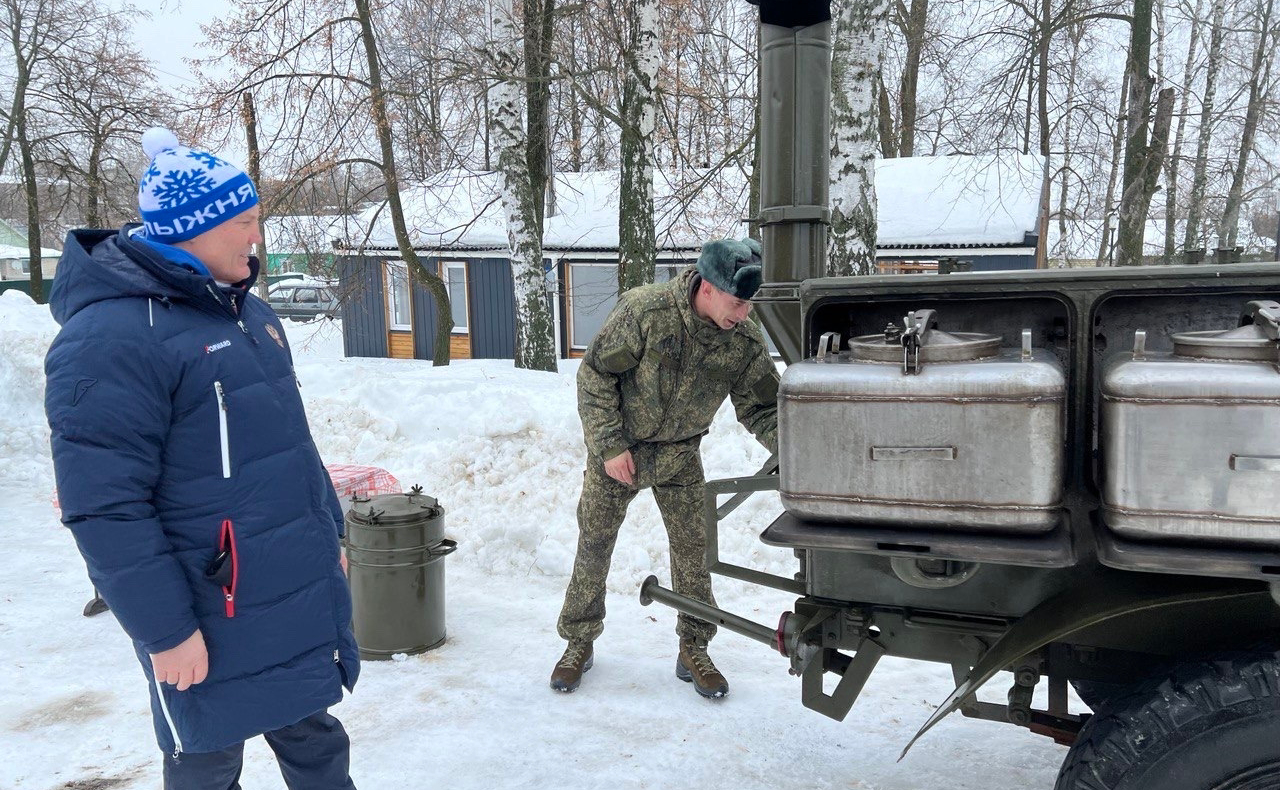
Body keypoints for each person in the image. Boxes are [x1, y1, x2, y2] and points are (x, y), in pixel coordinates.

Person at [45, 128, 360, 789]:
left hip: (286, 591)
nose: (256, 238)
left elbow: (289, 446)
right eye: (245, 222)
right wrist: (166, 631)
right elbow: (105, 508)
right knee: (207, 762)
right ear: (194, 228)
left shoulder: (249, 316)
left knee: (317, 743)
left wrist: (328, 532)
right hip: (206, 607)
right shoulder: (109, 340)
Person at [551, 238, 779, 698]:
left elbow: (764, 409)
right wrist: (609, 445)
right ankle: (578, 640)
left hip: (679, 457)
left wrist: (798, 448)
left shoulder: (744, 342)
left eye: (750, 303)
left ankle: (694, 646)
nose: (744, 313)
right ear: (710, 288)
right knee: (594, 543)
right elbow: (595, 374)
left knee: (694, 550)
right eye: (738, 302)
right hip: (620, 454)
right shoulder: (646, 313)